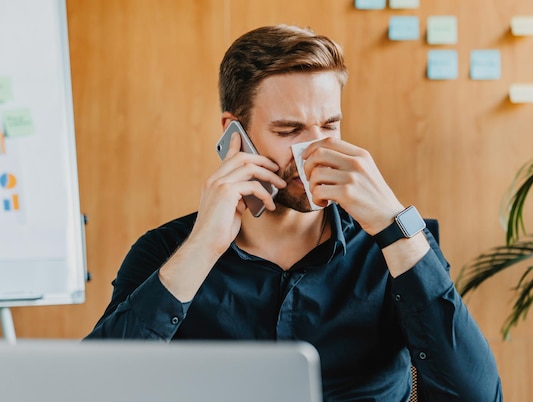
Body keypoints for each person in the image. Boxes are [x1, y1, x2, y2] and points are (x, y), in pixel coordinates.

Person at [86, 24, 503, 402]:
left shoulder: (393, 247)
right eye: (289, 131)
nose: (316, 150)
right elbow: (90, 389)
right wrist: (202, 249)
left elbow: (477, 396)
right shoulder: (167, 251)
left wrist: (394, 225)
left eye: (330, 125)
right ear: (235, 132)